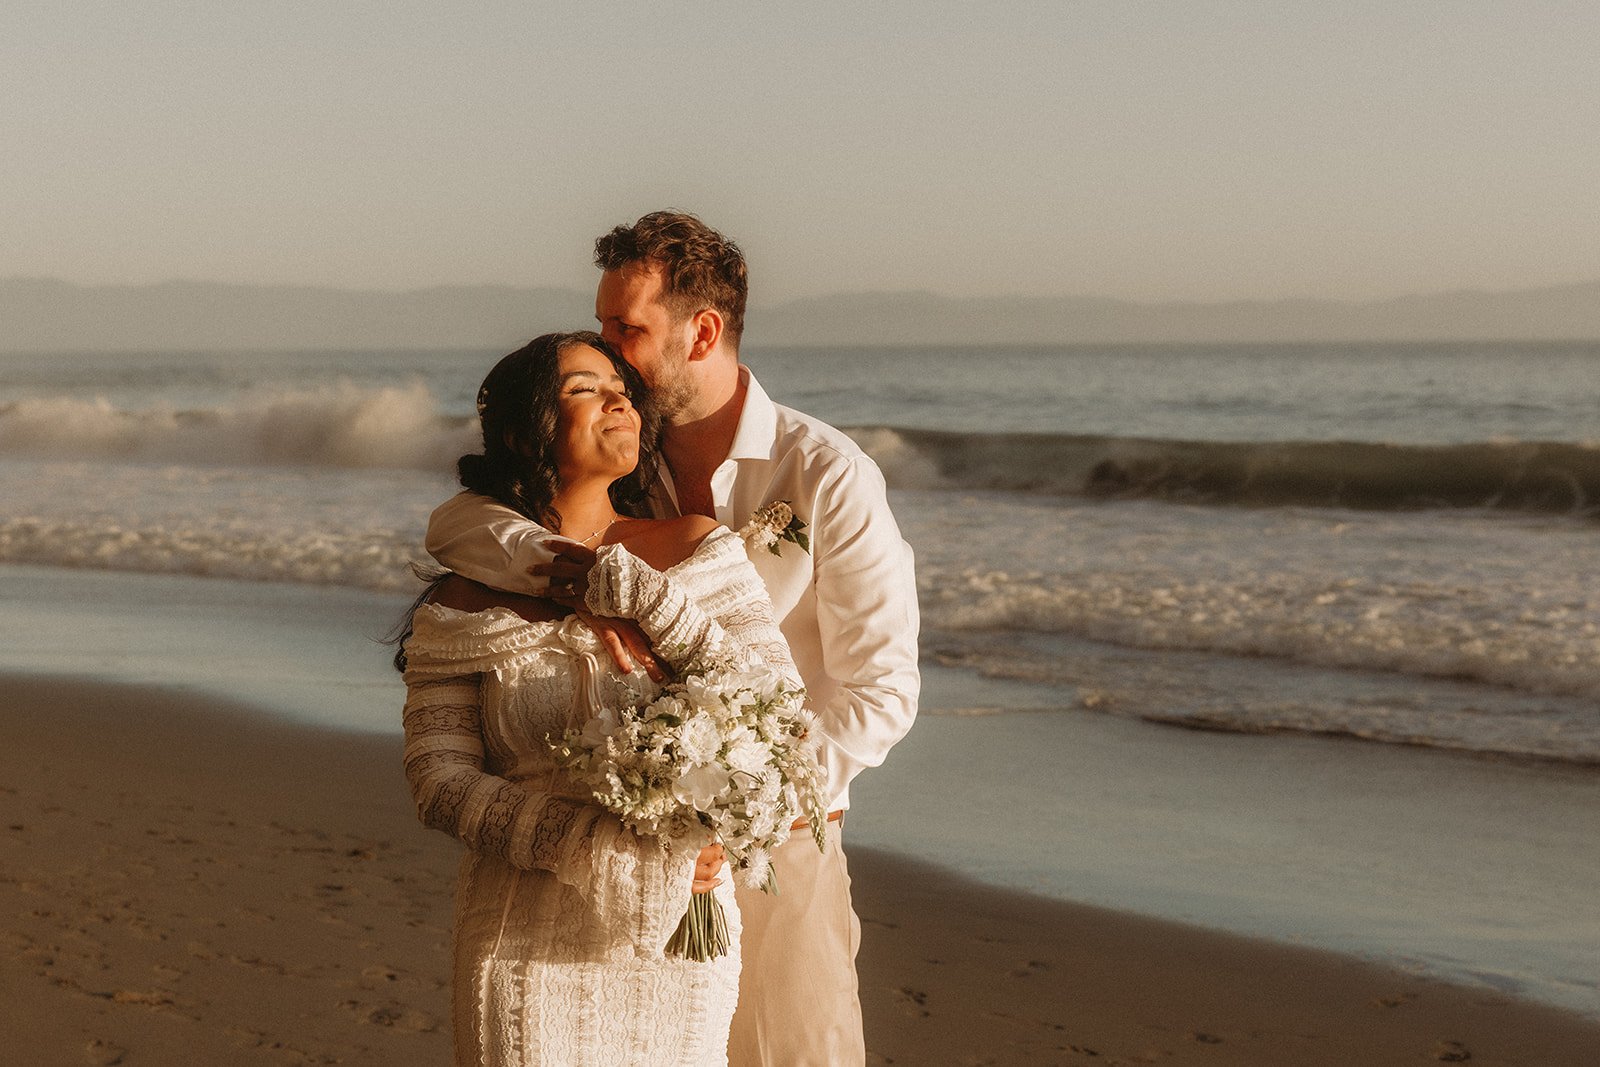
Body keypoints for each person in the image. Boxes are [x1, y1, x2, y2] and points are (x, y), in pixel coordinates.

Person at [425, 212, 921, 1065]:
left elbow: (880, 692)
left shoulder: (825, 474)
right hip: (621, 845)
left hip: (780, 839)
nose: (611, 350)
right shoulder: (623, 457)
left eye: (630, 329)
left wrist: (744, 802)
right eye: (606, 325)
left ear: (702, 331)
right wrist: (584, 575)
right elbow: (463, 526)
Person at [400, 331, 803, 1065]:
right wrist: (589, 844)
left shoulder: (696, 548)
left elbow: (778, 713)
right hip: (523, 947)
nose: (619, 396)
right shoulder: (466, 596)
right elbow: (438, 781)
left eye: (620, 385)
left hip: (682, 946)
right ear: (527, 431)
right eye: (585, 387)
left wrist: (651, 600)